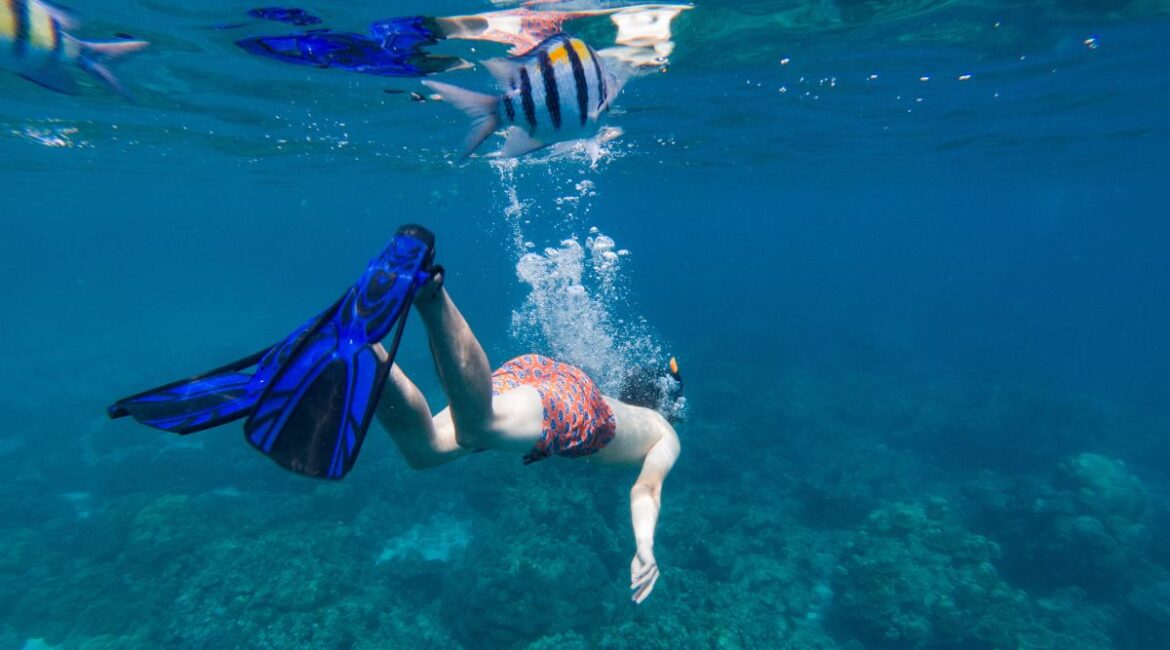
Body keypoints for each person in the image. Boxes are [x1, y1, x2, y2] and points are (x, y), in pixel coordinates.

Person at [373, 267, 682, 604]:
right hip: (584, 411)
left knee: (425, 451)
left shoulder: (621, 402)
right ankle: (430, 295)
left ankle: (367, 350)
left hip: (541, 373)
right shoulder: (663, 430)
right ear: (666, 404)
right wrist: (644, 546)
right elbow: (646, 490)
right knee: (479, 427)